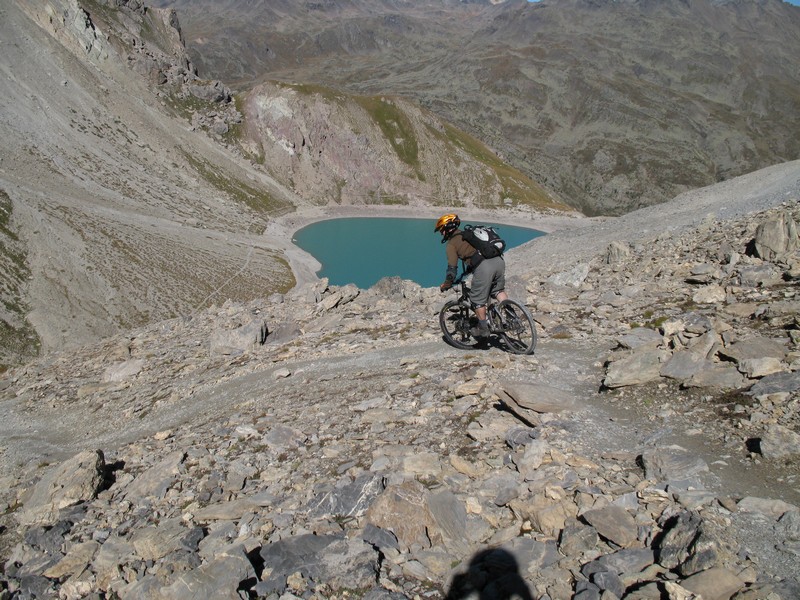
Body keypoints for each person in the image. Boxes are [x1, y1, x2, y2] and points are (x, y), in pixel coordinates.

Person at [435, 213, 508, 338]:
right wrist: (469, 269)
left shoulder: (451, 244)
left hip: (485, 267)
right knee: (498, 291)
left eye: (442, 230)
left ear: (447, 229)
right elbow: (475, 253)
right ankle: (511, 316)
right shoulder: (469, 234)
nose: (441, 233)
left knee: (477, 300)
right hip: (499, 261)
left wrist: (447, 283)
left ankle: (483, 328)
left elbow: (452, 269)